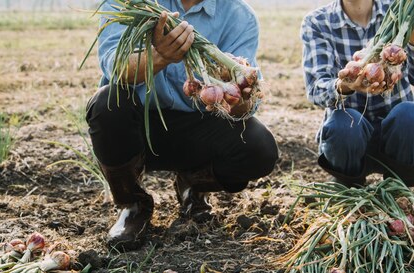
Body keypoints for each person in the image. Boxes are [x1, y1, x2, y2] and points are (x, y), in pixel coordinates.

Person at [86, 0, 279, 250]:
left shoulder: (239, 15)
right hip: (138, 126)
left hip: (197, 128)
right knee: (107, 103)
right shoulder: (126, 2)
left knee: (258, 147)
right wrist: (160, 57)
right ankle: (132, 205)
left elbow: (242, 106)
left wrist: (239, 96)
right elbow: (115, 66)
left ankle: (193, 185)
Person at [301, 0, 414, 188]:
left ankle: (399, 191)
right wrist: (345, 85)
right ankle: (348, 189)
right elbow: (316, 89)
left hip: (398, 134)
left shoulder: (399, 9)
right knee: (342, 124)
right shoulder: (317, 22)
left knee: (412, 115)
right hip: (349, 139)